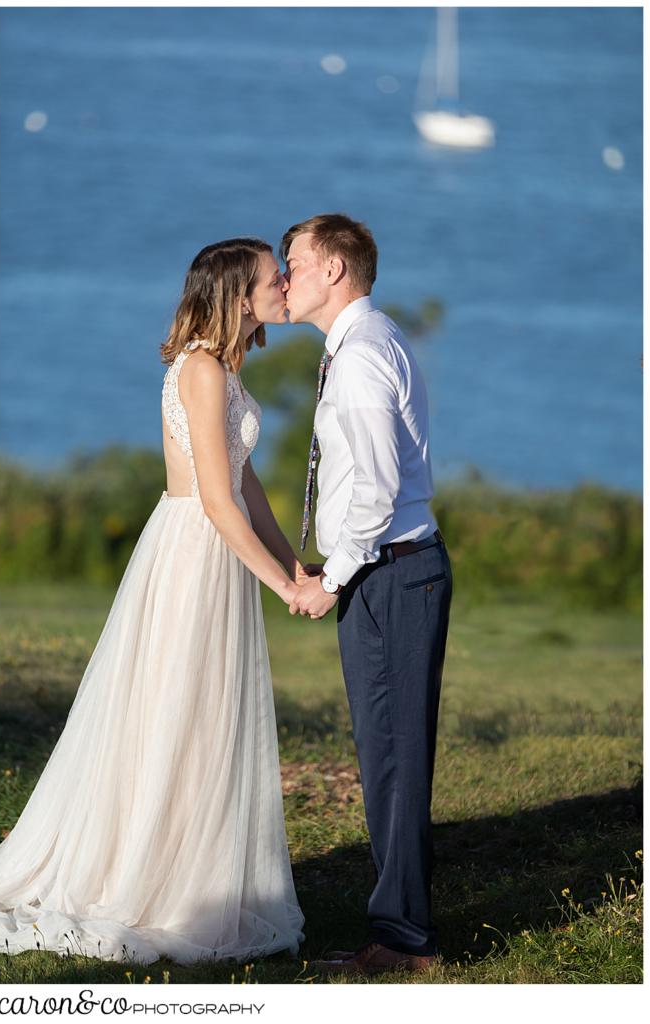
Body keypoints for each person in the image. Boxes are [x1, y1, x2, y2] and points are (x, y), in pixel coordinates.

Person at [0, 238, 306, 967]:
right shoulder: (200, 370)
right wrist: (284, 586)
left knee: (200, 715)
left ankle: (191, 866)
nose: (283, 286)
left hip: (210, 547)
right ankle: (151, 879)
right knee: (175, 711)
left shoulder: (223, 368)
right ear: (236, 294)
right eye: (271, 278)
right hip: (195, 552)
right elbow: (219, 502)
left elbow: (245, 481)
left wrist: (294, 557)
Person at [281, 213, 452, 977]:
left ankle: (404, 942)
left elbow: (377, 490)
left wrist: (333, 580)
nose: (282, 279)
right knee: (384, 754)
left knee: (391, 758)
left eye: (293, 264)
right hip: (389, 568)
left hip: (392, 571)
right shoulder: (366, 342)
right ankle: (401, 929)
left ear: (333, 271)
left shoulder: (358, 357)